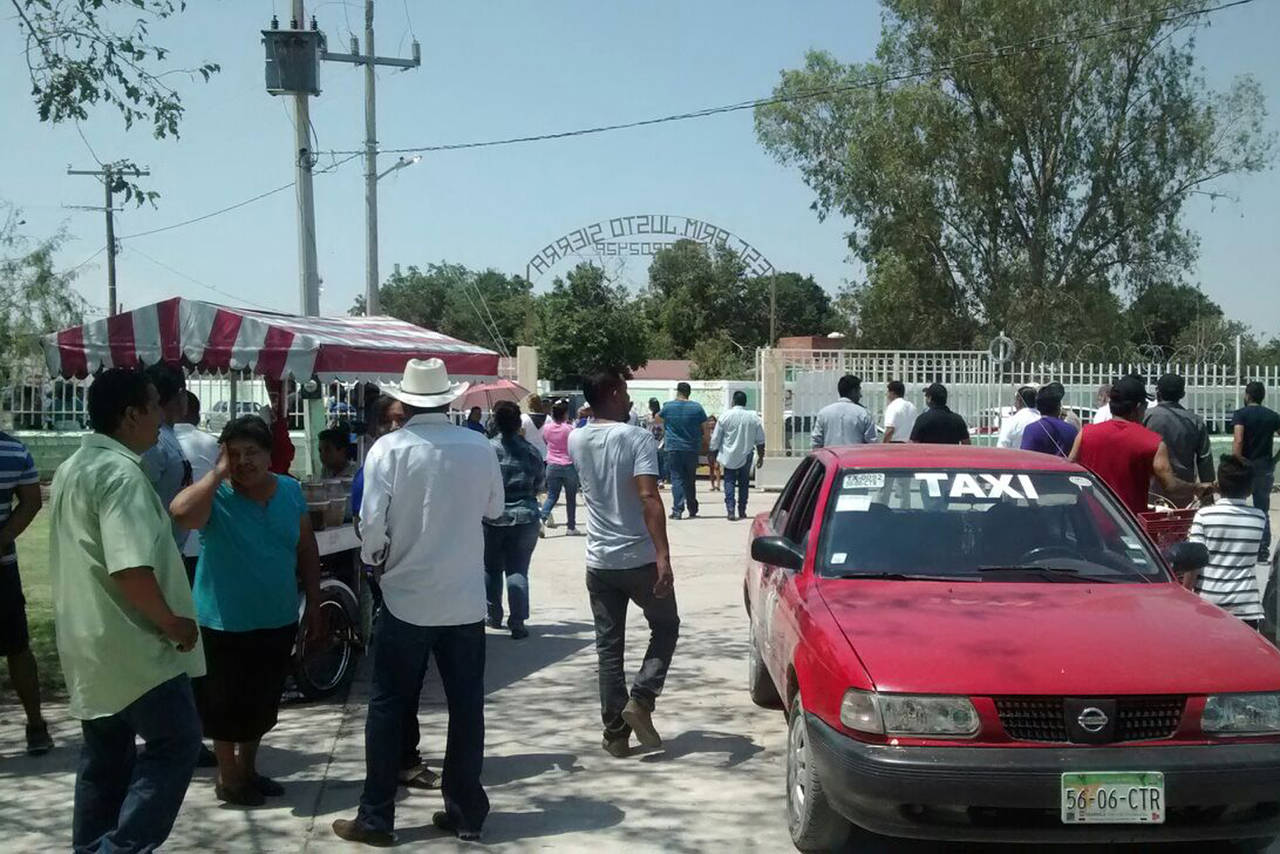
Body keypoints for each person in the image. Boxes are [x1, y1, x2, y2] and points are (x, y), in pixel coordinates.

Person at [334, 358, 503, 845]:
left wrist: (376, 560)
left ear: (404, 403)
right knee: (466, 707)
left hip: (406, 597)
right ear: (448, 400)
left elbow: (371, 526)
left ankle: (376, 817)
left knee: (389, 706)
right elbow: (494, 509)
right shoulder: (479, 446)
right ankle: (466, 812)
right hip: (464, 599)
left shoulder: (388, 449)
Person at [48, 368, 204, 852]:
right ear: (132, 415)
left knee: (106, 760)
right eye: (155, 406)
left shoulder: (75, 467)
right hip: (134, 645)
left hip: (89, 640)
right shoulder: (121, 475)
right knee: (177, 743)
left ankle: (92, 846)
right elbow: (130, 568)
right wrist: (173, 623)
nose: (162, 418)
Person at [170, 415, 323, 807]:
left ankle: (248, 769)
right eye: (234, 454)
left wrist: (315, 601)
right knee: (224, 704)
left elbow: (306, 547)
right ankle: (229, 778)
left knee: (262, 701)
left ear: (269, 454)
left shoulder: (289, 490)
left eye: (251, 452)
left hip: (276, 617)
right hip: (223, 622)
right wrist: (216, 474)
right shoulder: (216, 497)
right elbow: (180, 513)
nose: (243, 462)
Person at [570, 370, 678, 758]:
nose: (631, 399)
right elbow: (648, 497)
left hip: (599, 560)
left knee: (609, 647)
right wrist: (663, 555)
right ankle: (642, 699)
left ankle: (615, 734)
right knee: (666, 626)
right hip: (638, 557)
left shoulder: (576, 437)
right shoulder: (636, 437)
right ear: (614, 393)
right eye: (627, 391)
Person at [349, 395, 438, 792]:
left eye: (402, 419)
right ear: (375, 427)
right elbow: (365, 525)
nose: (395, 428)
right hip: (391, 583)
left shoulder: (416, 462)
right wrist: (380, 564)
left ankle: (401, 758)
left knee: (409, 679)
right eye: (390, 421)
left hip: (419, 586)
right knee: (398, 682)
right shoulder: (375, 465)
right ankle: (401, 761)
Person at [1069, 376, 1209, 517]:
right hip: (1128, 522)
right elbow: (1171, 486)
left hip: (1089, 519)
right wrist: (1197, 487)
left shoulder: (1085, 433)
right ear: (1137, 407)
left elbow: (1069, 471)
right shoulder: (1153, 442)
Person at [0, 428, 51, 755]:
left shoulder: (14, 451)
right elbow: (31, 502)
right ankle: (36, 727)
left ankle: (36, 724)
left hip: (2, 567)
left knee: (18, 648)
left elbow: (32, 501)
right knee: (18, 648)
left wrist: (2, 539)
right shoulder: (13, 450)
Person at [484, 401, 545, 640]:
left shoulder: (487, 449)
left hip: (492, 517)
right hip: (526, 517)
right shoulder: (531, 451)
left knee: (491, 568)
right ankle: (517, 621)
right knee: (518, 570)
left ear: (495, 422)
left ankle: (493, 615)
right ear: (519, 422)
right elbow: (540, 484)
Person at [1186, 455, 1268, 628]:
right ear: (1250, 489)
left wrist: (1184, 595)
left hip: (1209, 603)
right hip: (1246, 606)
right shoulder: (1259, 518)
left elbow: (1193, 562)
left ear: (1218, 485)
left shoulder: (1203, 516)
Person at [140, 362, 192, 548]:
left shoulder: (167, 435)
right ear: (181, 394)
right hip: (156, 551)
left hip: (172, 549)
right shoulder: (155, 442)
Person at [1144, 373, 1214, 504]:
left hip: (1149, 492)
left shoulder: (1146, 417)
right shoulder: (1195, 421)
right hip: (1183, 493)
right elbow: (1205, 461)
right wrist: (1208, 497)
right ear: (1182, 394)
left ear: (1158, 392)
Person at [1232, 381, 1280, 563]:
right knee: (1262, 508)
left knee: (1238, 506)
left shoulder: (1241, 414)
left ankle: (1240, 546)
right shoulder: (1272, 416)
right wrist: (1275, 459)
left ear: (1247, 395)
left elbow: (1238, 440)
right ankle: (1262, 549)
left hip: (1244, 466)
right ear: (1262, 396)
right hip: (1265, 468)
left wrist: (1236, 463)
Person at [709, 391, 765, 522]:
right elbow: (761, 441)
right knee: (744, 483)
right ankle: (742, 510)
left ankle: (730, 510)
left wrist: (713, 453)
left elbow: (716, 439)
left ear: (733, 401)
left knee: (729, 482)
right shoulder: (753, 418)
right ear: (745, 402)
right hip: (747, 454)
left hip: (729, 455)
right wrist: (761, 457)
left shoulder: (725, 417)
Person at [660, 382, 708, 521]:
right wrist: (707, 444)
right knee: (690, 479)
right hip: (691, 448)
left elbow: (657, 419)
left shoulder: (668, 407)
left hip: (673, 447)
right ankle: (692, 508)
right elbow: (705, 428)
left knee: (677, 479)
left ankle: (677, 510)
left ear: (678, 391)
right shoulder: (697, 408)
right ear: (689, 392)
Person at [540, 399, 583, 536]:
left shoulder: (546, 428)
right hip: (568, 464)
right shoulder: (569, 429)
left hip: (552, 464)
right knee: (571, 498)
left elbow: (545, 441)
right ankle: (571, 527)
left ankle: (542, 519)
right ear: (565, 414)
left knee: (552, 496)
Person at [811, 374, 877, 448]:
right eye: (859, 391)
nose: (860, 395)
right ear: (853, 391)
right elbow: (872, 443)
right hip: (854, 455)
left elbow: (816, 441)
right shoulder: (863, 414)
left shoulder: (823, 413)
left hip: (831, 455)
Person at [1020, 386, 1079, 458]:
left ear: (1038, 408)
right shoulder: (1071, 430)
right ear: (1058, 408)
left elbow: (1026, 458)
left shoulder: (1031, 429)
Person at [640, 397, 667, 486]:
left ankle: (660, 479)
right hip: (651, 441)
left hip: (659, 440)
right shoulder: (648, 416)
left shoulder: (661, 416)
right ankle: (655, 479)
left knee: (659, 461)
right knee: (653, 461)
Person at [520, 394, 549, 460]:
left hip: (529, 453)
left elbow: (521, 437)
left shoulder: (523, 418)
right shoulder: (548, 418)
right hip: (545, 453)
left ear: (529, 405)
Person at [703, 415, 721, 492]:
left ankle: (718, 485)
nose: (711, 422)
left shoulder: (718, 430)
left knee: (717, 467)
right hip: (709, 451)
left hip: (717, 450)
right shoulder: (706, 431)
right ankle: (712, 485)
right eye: (710, 421)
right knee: (711, 468)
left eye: (713, 421)